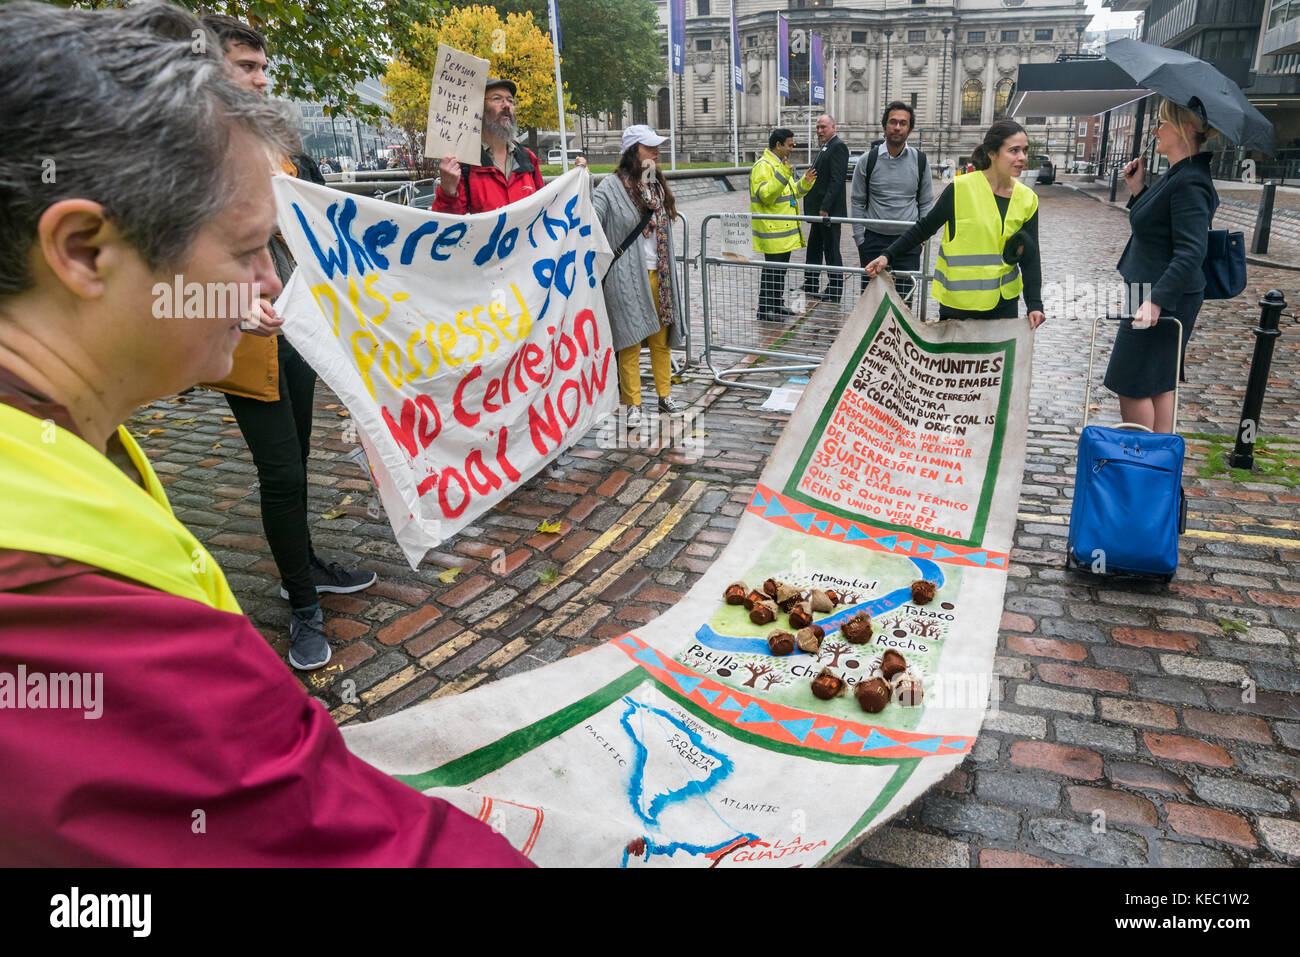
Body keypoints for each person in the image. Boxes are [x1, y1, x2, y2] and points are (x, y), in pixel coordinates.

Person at [0, 0, 528, 866]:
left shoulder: (68, 451)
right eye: (248, 249)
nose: (269, 286)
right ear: (86, 251)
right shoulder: (64, 611)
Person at [201, 14, 375, 673]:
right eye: (246, 67)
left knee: (298, 463)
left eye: (263, 68)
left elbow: (329, 220)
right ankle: (302, 605)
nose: (261, 79)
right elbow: (164, 270)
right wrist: (230, 304)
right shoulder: (190, 154)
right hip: (241, 339)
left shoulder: (279, 146)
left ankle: (300, 567)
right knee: (280, 473)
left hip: (296, 329)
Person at [1104, 99, 1219, 434]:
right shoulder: (1180, 174)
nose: (1156, 131)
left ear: (1182, 128)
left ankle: (1146, 466)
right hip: (1148, 290)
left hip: (1158, 296)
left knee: (1131, 381)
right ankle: (1159, 471)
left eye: (1162, 124)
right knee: (1158, 382)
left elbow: (1190, 251)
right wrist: (1138, 189)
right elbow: (1159, 228)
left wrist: (1156, 302)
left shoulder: (1190, 181)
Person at [865, 119, 1046, 330]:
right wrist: (887, 255)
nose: (1022, 157)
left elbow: (1031, 256)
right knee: (956, 364)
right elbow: (924, 228)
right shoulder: (961, 188)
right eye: (1014, 150)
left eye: (1024, 150)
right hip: (958, 305)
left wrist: (1034, 303)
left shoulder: (1028, 199)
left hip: (1003, 305)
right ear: (992, 153)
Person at [594, 126, 686, 428]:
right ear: (634, 151)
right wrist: (578, 183)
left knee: (661, 341)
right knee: (630, 340)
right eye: (650, 148)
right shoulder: (609, 187)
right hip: (626, 276)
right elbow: (592, 219)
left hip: (660, 274)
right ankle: (632, 402)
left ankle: (664, 395)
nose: (657, 153)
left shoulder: (656, 185)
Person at [435, 77, 586, 215]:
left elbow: (545, 209)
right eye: (497, 99)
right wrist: (448, 192)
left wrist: (578, 180)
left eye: (510, 101)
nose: (506, 105)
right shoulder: (464, 163)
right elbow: (448, 227)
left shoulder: (527, 159)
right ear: (479, 110)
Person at [851, 100, 935, 302]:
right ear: (885, 125)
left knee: (904, 301)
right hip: (873, 241)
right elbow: (857, 201)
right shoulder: (867, 161)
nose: (897, 127)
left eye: (903, 123)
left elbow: (926, 203)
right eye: (893, 122)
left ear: (910, 128)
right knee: (872, 302)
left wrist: (921, 239)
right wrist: (860, 240)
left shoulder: (920, 161)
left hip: (908, 241)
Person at [751, 128, 817, 322]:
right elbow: (766, 195)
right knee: (772, 271)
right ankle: (765, 308)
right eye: (789, 145)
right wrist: (782, 174)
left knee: (780, 270)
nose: (792, 149)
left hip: (783, 231)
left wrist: (805, 182)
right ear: (778, 145)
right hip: (772, 230)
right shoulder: (763, 166)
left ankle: (776, 304)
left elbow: (791, 194)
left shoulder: (779, 164)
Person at [801, 114, 849, 303]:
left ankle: (835, 289)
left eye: (823, 127)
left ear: (833, 128)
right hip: (818, 212)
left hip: (827, 212)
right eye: (818, 127)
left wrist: (825, 207)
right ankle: (811, 281)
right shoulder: (826, 146)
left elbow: (837, 180)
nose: (819, 131)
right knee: (814, 247)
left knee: (831, 250)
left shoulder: (838, 147)